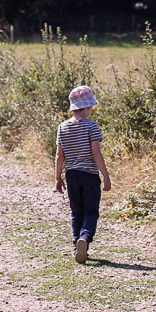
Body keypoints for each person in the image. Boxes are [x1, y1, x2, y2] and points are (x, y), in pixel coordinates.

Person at [55, 85, 111, 264]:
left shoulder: (62, 127)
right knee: (91, 211)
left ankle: (76, 245)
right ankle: (85, 239)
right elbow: (96, 153)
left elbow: (59, 155)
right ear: (87, 107)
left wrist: (58, 178)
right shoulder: (91, 127)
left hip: (71, 176)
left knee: (76, 212)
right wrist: (106, 176)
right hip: (89, 176)